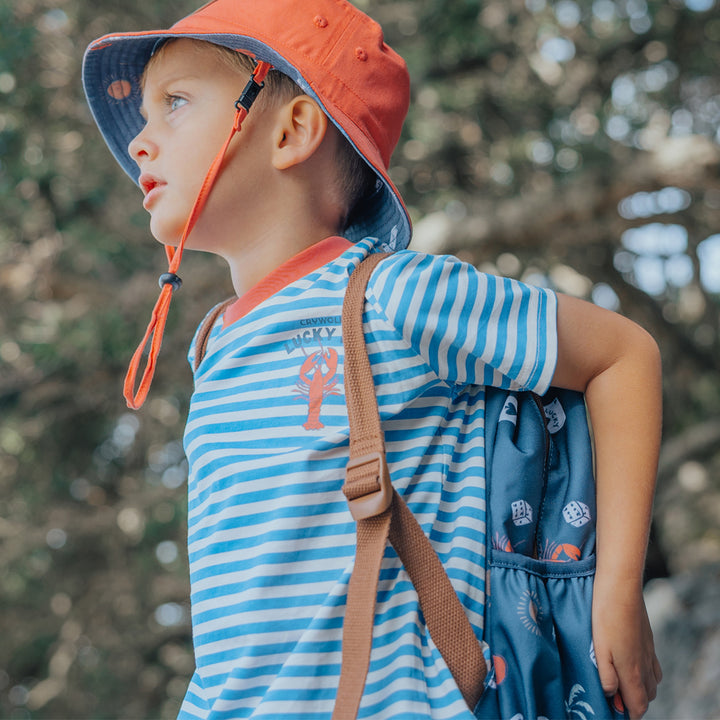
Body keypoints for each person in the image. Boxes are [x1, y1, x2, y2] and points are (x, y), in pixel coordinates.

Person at [82, 1, 662, 718]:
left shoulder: (393, 296)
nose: (141, 141)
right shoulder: (212, 345)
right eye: (143, 115)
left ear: (292, 131)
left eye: (174, 104)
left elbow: (624, 355)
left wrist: (617, 594)